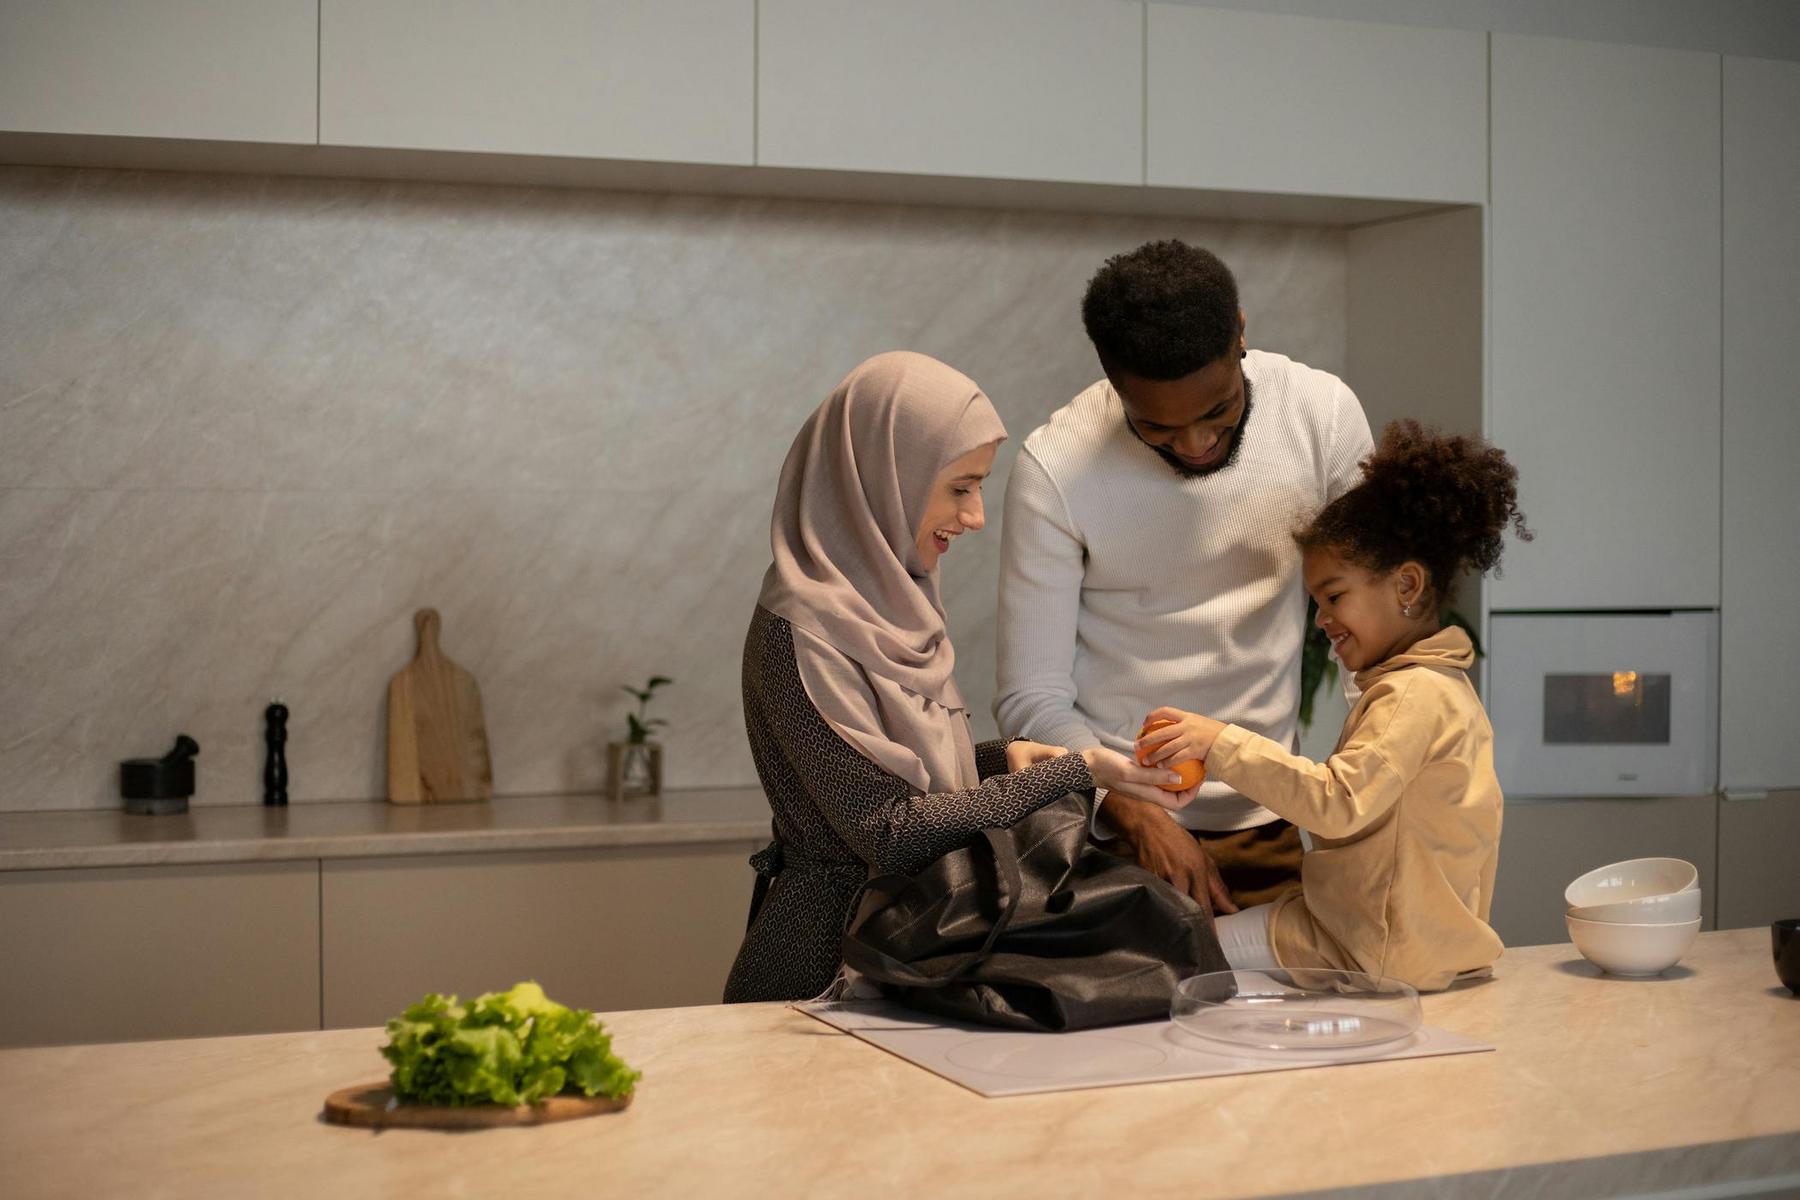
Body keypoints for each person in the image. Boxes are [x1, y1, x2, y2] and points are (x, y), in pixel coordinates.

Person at [723, 351, 1192, 1004]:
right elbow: (886, 831)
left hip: (911, 955)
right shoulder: (804, 627)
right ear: (888, 477)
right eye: (959, 487)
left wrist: (1004, 758)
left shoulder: (889, 606)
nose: (974, 517)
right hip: (827, 974)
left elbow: (892, 776)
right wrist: (1078, 771)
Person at [995, 240, 1372, 916]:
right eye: (1159, 428)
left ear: (1241, 335)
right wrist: (1130, 810)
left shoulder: (1323, 418)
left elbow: (1371, 636)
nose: (1196, 444)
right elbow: (1033, 698)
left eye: (1218, 412)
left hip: (1265, 822)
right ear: (1113, 381)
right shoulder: (1055, 467)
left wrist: (1365, 801)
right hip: (1109, 833)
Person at [1135, 420, 1531, 991]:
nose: (1321, 619)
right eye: (1316, 601)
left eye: (1334, 596)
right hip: (1406, 943)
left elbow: (1337, 801)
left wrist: (1218, 743)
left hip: (1367, 949)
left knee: (1177, 951)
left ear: (1407, 586)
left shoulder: (1410, 695)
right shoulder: (1442, 687)